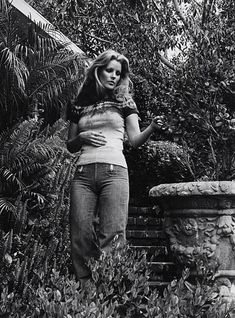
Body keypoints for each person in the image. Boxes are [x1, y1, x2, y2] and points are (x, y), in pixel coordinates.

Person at [66, 49, 163, 282]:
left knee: (113, 235)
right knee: (79, 235)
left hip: (114, 173)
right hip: (83, 174)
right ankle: (86, 292)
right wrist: (83, 138)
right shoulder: (79, 103)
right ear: (98, 70)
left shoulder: (124, 101)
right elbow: (70, 144)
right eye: (109, 70)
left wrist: (151, 128)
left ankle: (108, 292)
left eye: (118, 73)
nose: (113, 76)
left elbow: (135, 140)